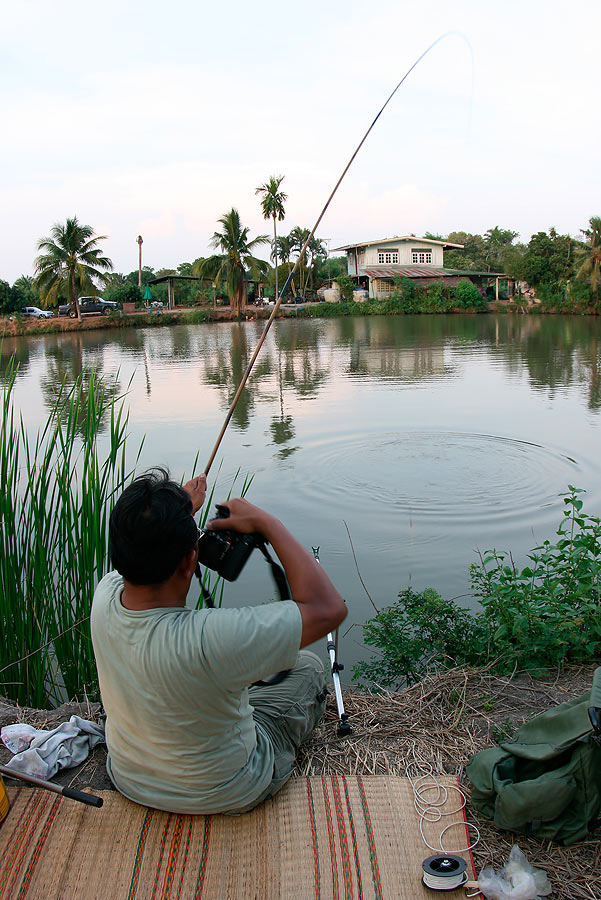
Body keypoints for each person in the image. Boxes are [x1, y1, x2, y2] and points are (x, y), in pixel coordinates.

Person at [90, 467, 346, 815]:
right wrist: (267, 523)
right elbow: (329, 609)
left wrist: (177, 512)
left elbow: (141, 549)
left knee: (229, 673)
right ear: (188, 560)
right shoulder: (211, 639)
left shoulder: (104, 596)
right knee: (308, 668)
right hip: (229, 788)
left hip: (130, 778)